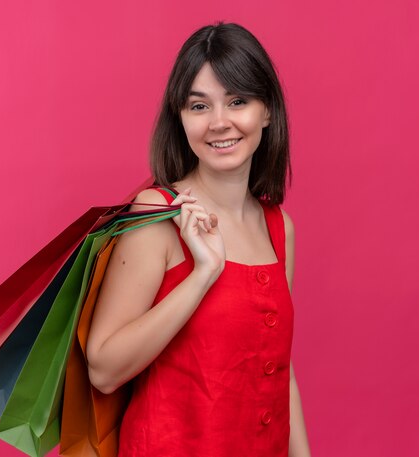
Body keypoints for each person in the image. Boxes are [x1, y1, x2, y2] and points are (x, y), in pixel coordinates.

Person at [86, 22, 311, 457]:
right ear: (181, 117)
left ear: (267, 112)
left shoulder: (279, 227)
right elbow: (103, 368)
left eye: (238, 101)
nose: (219, 122)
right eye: (199, 105)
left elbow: (282, 373)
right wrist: (203, 274)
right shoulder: (157, 213)